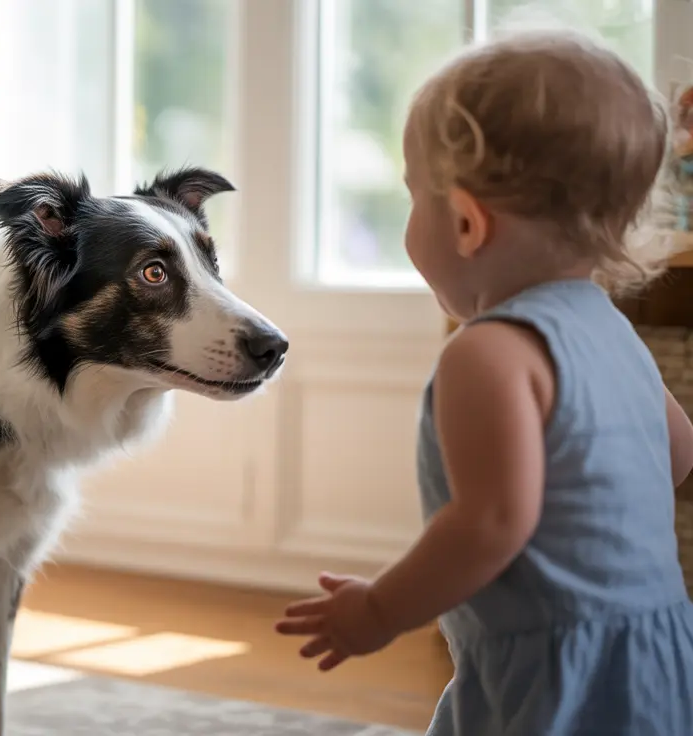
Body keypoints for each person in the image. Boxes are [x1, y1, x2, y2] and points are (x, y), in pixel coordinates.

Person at [274, 27, 693, 736]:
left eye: (414, 197)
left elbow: (492, 522)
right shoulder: (609, 327)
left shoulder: (489, 352)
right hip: (658, 652)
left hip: (555, 675)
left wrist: (378, 610)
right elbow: (678, 454)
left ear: (466, 223)